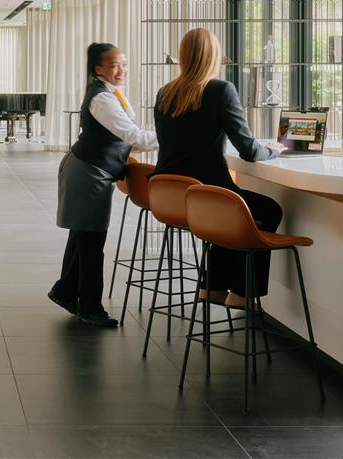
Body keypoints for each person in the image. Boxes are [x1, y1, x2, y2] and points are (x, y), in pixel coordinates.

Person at [152, 28, 284, 309]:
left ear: (183, 56)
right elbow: (249, 151)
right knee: (268, 210)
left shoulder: (165, 93)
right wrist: (275, 150)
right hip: (207, 195)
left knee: (229, 213)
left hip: (172, 198)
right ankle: (242, 293)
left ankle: (212, 285)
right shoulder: (220, 90)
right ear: (214, 56)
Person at [48, 42, 157, 327]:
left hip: (90, 168)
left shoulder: (110, 92)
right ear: (98, 69)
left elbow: (126, 136)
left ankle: (65, 291)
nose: (121, 70)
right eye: (114, 65)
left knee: (82, 235)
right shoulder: (102, 99)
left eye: (124, 64)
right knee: (91, 241)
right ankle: (90, 309)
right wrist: (172, 135)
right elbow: (133, 136)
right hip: (88, 171)